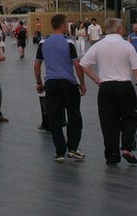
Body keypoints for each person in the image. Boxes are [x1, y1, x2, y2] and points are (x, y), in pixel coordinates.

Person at [80, 18, 137, 165]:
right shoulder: (127, 46)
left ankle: (112, 155)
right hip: (124, 86)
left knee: (108, 122)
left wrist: (97, 79)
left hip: (106, 87)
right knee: (130, 117)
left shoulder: (98, 46)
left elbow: (83, 64)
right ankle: (127, 148)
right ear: (119, 29)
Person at [34, 13, 86, 163]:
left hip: (51, 83)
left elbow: (37, 65)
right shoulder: (69, 42)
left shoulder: (43, 42)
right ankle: (73, 148)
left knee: (54, 117)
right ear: (63, 25)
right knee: (74, 114)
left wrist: (39, 82)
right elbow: (77, 65)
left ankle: (60, 152)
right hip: (68, 83)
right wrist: (82, 83)